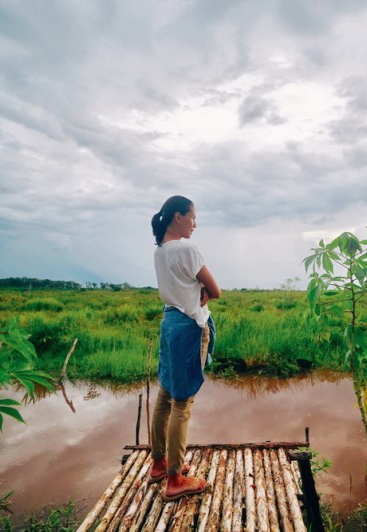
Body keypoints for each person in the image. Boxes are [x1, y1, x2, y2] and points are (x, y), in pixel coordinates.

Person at [148, 195, 220, 501]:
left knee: (165, 395)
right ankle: (176, 479)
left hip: (169, 323)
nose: (195, 223)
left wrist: (197, 289)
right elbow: (215, 290)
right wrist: (203, 290)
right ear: (178, 217)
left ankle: (159, 464)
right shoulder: (187, 248)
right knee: (182, 402)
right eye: (192, 217)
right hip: (189, 326)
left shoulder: (160, 251)